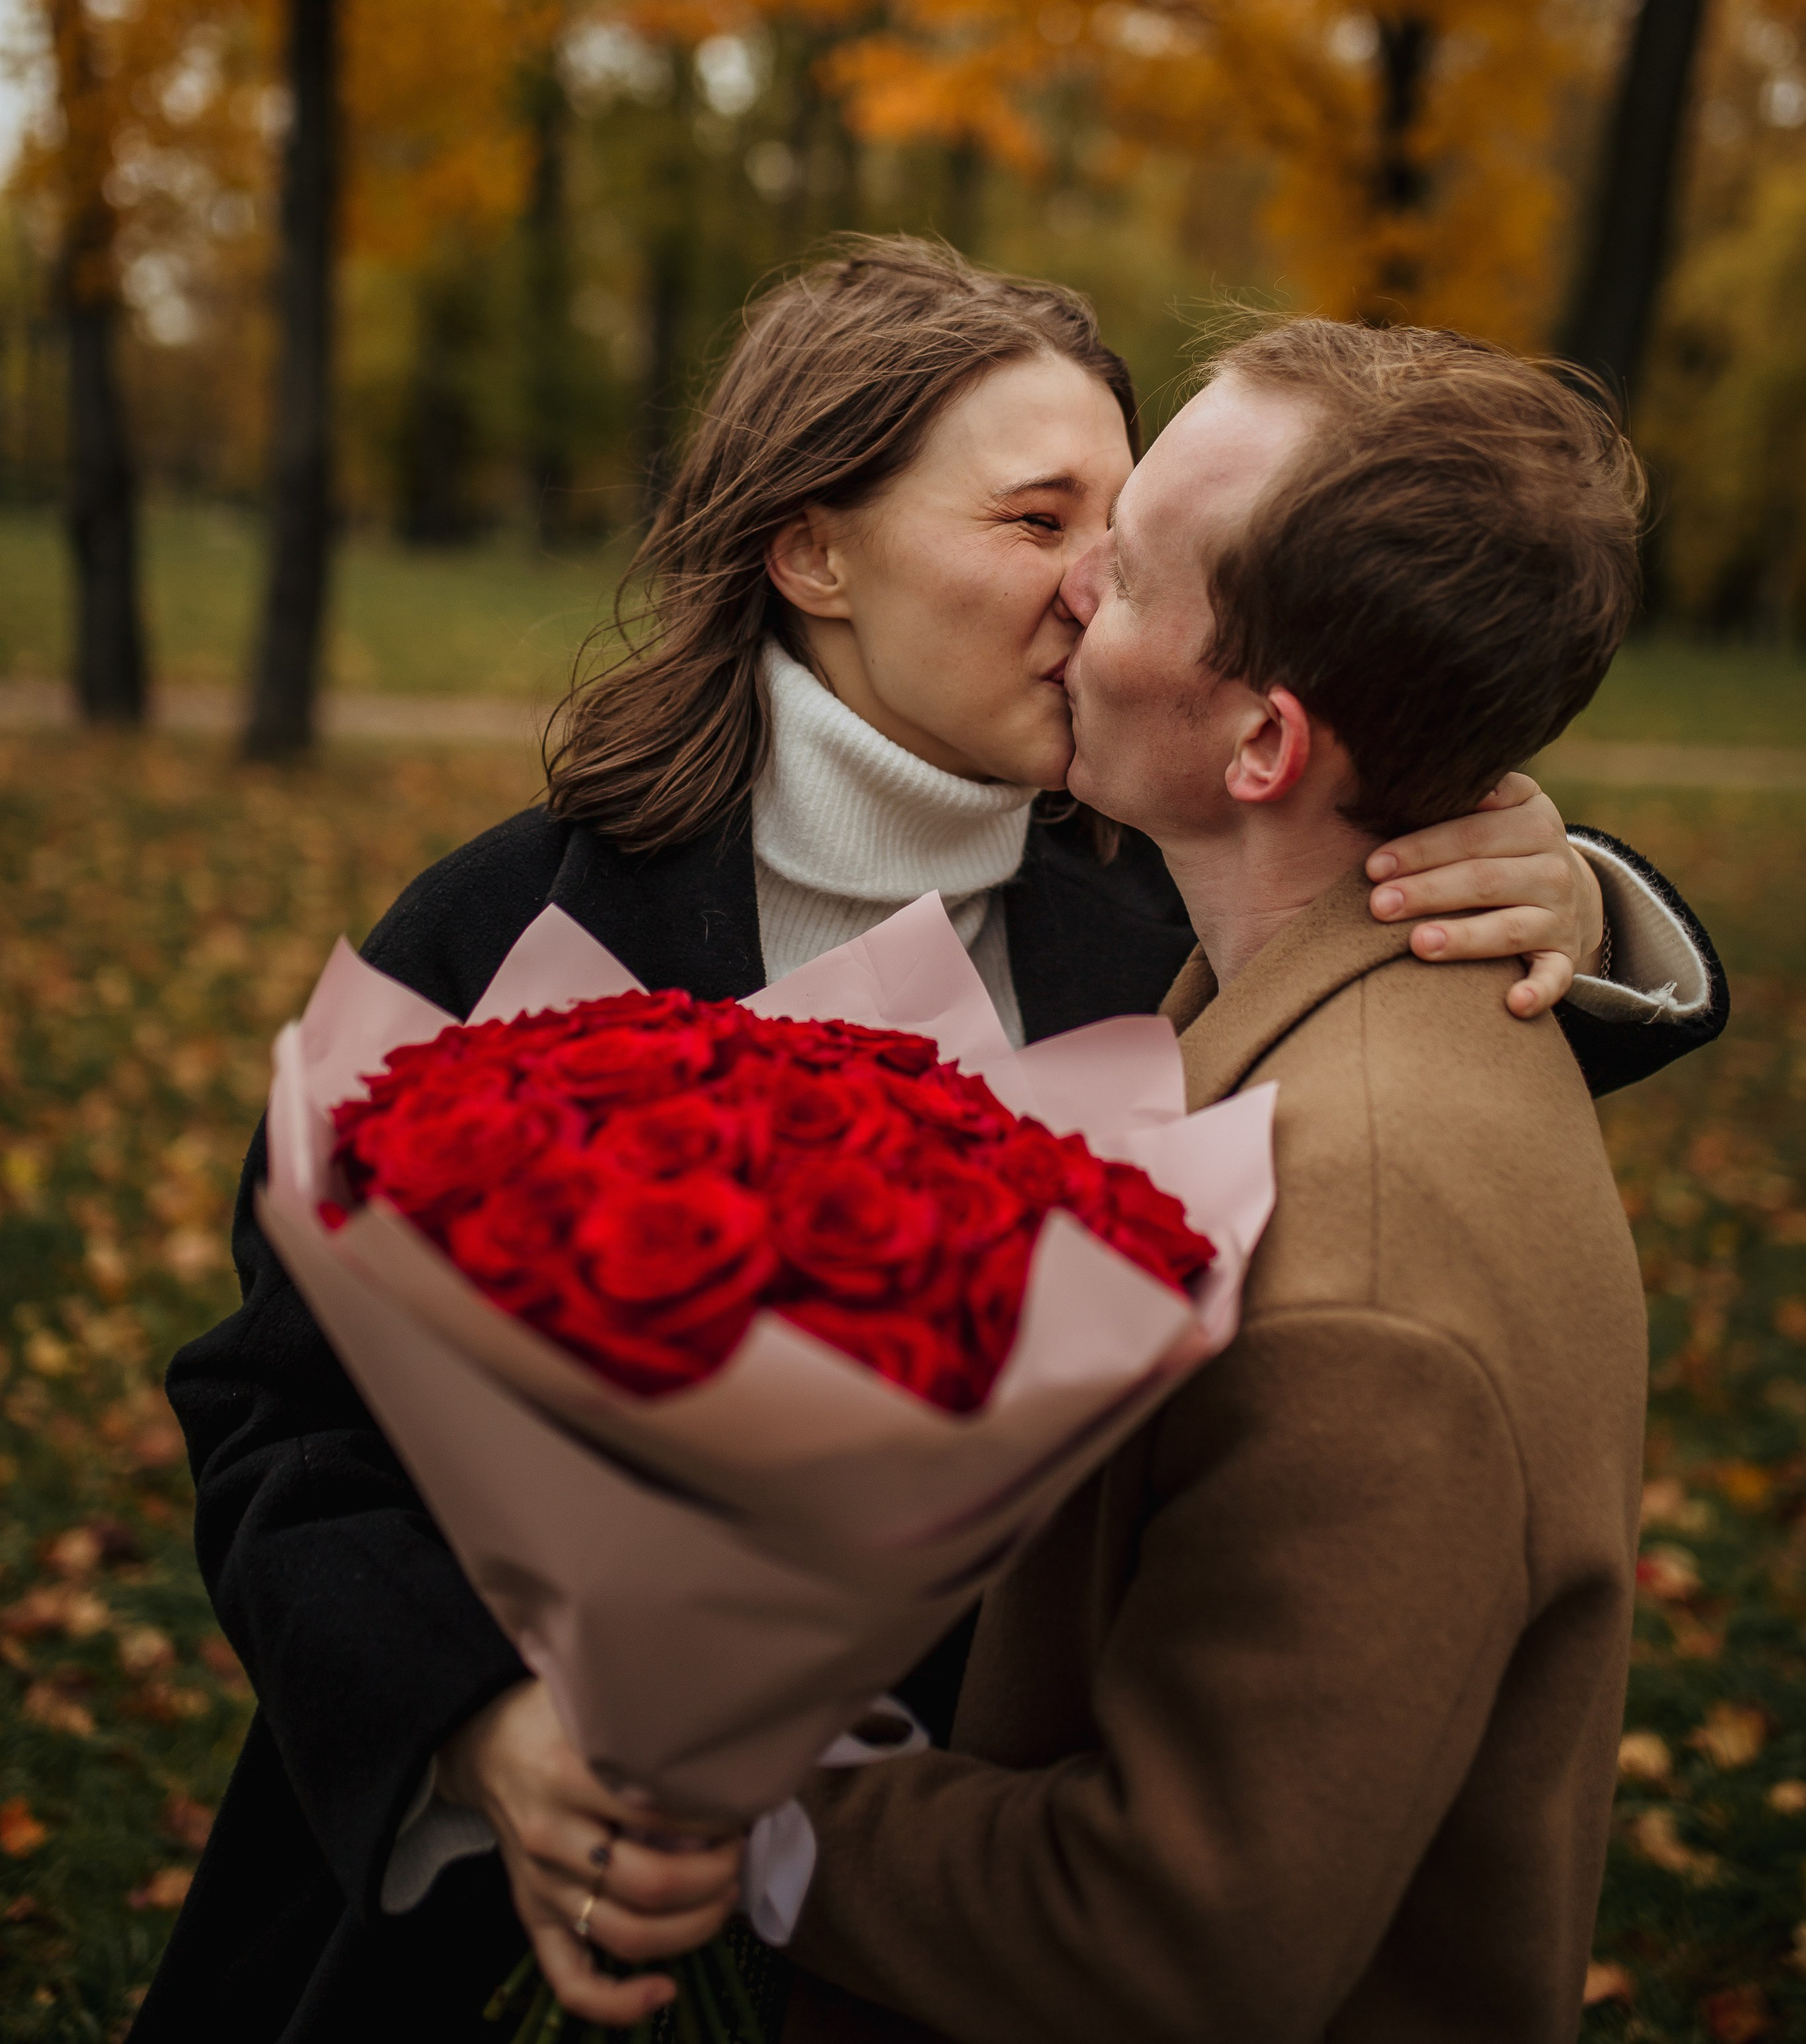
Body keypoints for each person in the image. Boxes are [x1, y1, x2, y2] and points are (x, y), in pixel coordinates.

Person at [131, 250, 1723, 2044]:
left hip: (943, 1922)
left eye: (1122, 528)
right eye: (1035, 519)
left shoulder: (1151, 901)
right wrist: (482, 1727)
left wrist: (1569, 885)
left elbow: (1383, 1119)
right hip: (481, 1904)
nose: (1097, 583)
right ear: (814, 553)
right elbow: (277, 1413)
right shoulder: (515, 922)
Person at [777, 319, 1680, 2044]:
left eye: (1122, 576)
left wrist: (734, 1806)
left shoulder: (1348, 1264)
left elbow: (1167, 1943)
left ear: (1262, 747)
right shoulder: (1278, 999)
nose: (1072, 600)